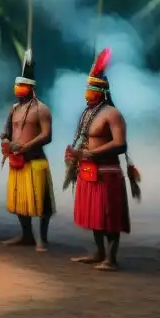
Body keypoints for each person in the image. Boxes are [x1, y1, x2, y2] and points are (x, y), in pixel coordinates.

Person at [64, 47, 137, 272]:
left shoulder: (113, 114)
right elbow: (82, 138)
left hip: (107, 172)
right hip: (88, 170)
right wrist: (74, 156)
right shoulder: (87, 113)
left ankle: (111, 259)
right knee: (94, 216)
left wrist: (91, 153)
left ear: (101, 91)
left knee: (108, 216)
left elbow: (120, 144)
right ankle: (98, 252)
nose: (87, 93)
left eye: (91, 89)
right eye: (86, 88)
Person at [0, 48, 55, 251]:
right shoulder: (13, 109)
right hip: (17, 161)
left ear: (30, 88)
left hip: (35, 160)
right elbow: (5, 131)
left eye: (22, 85)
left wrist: (25, 146)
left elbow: (47, 136)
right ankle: (26, 235)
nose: (18, 88)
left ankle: (42, 238)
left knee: (41, 202)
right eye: (17, 85)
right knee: (18, 201)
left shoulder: (41, 109)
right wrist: (6, 141)